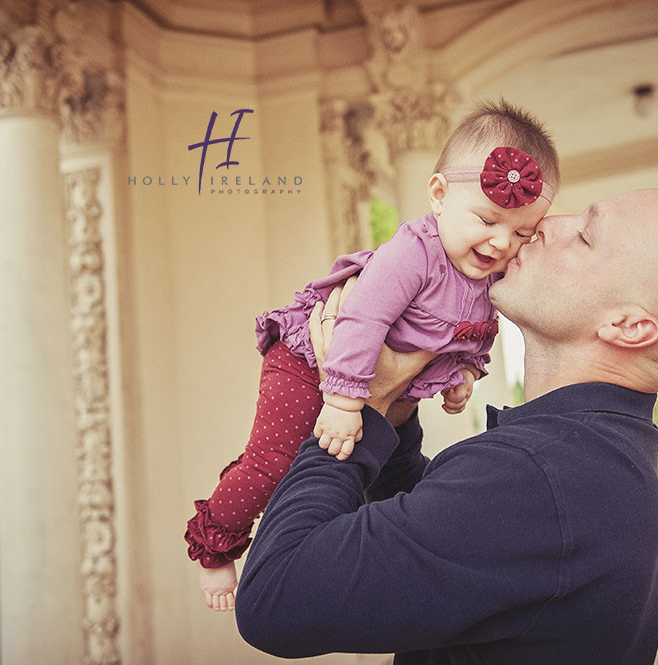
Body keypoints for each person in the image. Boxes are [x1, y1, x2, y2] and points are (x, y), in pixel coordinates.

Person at [234, 188, 658, 665]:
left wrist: (353, 406)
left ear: (628, 327)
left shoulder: (540, 475)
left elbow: (275, 598)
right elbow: (434, 531)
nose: (546, 223)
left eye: (586, 235)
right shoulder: (594, 458)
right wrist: (396, 403)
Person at [184, 101, 561, 612]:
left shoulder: (485, 275)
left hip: (373, 393)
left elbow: (476, 333)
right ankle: (213, 546)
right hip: (311, 365)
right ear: (439, 195)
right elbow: (362, 318)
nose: (500, 243)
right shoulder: (415, 252)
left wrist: (466, 373)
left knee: (393, 479)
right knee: (273, 462)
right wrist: (341, 401)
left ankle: (398, 570)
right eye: (488, 219)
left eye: (520, 233)